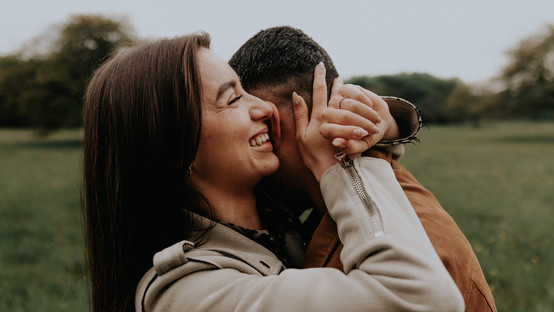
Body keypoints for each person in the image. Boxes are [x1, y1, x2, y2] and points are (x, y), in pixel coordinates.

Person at [82, 32, 464, 312]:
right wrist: (339, 162)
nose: (264, 109)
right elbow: (419, 298)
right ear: (176, 154)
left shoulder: (273, 219)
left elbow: (387, 145)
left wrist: (383, 122)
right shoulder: (187, 294)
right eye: (232, 98)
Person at [229, 26, 497, 312]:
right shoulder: (314, 212)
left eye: (264, 128)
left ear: (314, 119)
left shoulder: (414, 252)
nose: (256, 148)